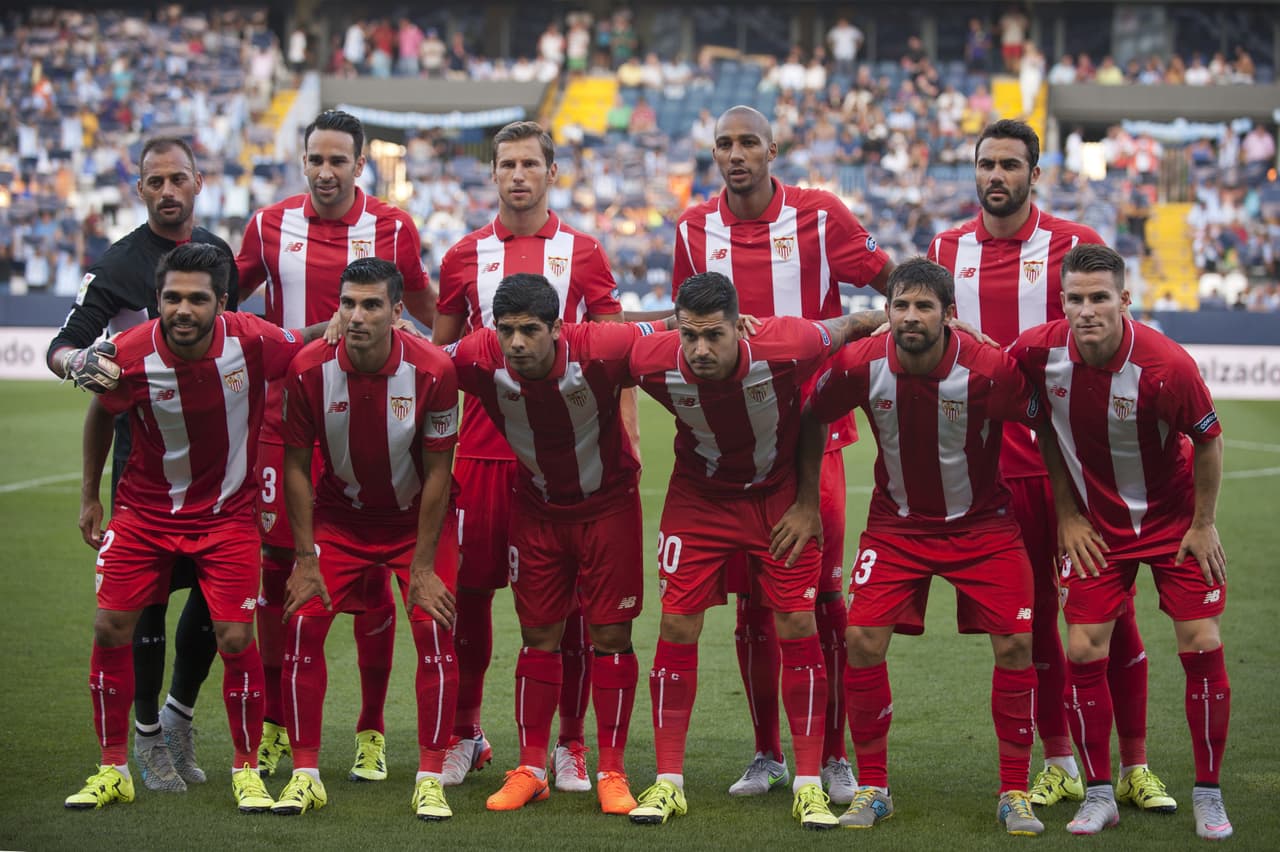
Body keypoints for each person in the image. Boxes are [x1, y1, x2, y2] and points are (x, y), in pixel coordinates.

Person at [928, 119, 1169, 814]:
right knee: (1030, 622)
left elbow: (1114, 339)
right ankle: (1060, 761)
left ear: (1035, 173)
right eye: (985, 164)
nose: (995, 176)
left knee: (1110, 616)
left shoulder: (1074, 246)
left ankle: (1135, 765)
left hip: (1075, 466)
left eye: (1009, 164)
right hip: (993, 472)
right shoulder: (946, 250)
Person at [672, 104, 894, 805]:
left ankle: (831, 756)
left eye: (748, 144)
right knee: (749, 607)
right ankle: (769, 750)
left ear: (775, 148)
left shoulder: (823, 216)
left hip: (812, 441)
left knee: (821, 598)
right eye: (723, 146)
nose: (735, 156)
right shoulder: (692, 227)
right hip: (733, 448)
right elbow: (687, 321)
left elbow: (890, 283)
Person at [62, 243, 326, 812]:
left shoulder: (253, 338)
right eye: (171, 298)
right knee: (111, 627)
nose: (183, 310)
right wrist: (89, 495)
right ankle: (114, 769)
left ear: (222, 302)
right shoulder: (127, 354)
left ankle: (246, 768)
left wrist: (356, 318)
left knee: (235, 639)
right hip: (144, 515)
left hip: (228, 514)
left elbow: (304, 339)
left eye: (197, 299)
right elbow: (98, 415)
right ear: (156, 300)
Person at [626, 271, 885, 830]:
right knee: (676, 627)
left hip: (778, 499)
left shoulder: (789, 344)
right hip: (699, 502)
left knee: (797, 623)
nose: (699, 350)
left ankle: (810, 785)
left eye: (714, 335)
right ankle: (668, 782)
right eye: (689, 335)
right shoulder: (650, 360)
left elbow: (855, 324)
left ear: (740, 327)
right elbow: (588, 344)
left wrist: (808, 501)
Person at [806, 257, 1044, 836]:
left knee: (1016, 643)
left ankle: (1014, 791)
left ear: (949, 316)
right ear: (886, 313)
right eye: (901, 306)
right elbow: (811, 414)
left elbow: (1047, 419)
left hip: (984, 527)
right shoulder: (862, 364)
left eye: (924, 307)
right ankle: (873, 788)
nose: (910, 317)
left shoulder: (989, 370)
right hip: (897, 528)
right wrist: (803, 502)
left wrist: (1068, 510)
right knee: (860, 638)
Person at [236, 109, 435, 781]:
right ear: (303, 162)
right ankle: (273, 724)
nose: (325, 172)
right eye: (314, 160)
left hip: (366, 416)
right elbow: (227, 309)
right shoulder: (267, 226)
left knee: (372, 573)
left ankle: (371, 728)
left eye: (338, 161)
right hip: (280, 423)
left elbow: (426, 313)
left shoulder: (394, 227)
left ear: (359, 165)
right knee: (282, 577)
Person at [1009, 244, 1232, 840]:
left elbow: (1208, 440)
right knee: (1082, 649)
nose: (1087, 311)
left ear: (1124, 301)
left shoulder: (1166, 365)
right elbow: (1036, 424)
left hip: (1173, 519)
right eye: (1075, 299)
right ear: (1061, 302)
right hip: (1096, 527)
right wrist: (1065, 513)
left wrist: (1204, 523)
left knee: (1201, 641)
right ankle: (1100, 792)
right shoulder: (1037, 352)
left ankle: (1209, 793)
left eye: (1099, 298)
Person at [433, 120, 627, 792]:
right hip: (482, 457)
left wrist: (622, 446)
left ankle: (570, 745)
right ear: (493, 173)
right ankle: (466, 733)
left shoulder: (586, 253)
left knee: (568, 605)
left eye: (530, 164)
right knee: (470, 595)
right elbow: (440, 366)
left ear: (552, 172)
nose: (518, 175)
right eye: (506, 164)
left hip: (563, 460)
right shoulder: (463, 256)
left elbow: (614, 357)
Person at [48, 136, 240, 795]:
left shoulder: (218, 256)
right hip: (145, 466)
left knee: (217, 606)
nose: (166, 190)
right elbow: (63, 344)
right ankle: (148, 738)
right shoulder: (119, 265)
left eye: (177, 178)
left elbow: (235, 346)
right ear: (139, 190)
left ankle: (178, 716)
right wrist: (79, 363)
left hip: (218, 470)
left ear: (198, 183)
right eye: (154, 180)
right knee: (146, 607)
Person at [448, 274, 666, 815]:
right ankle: (530, 767)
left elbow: (671, 329)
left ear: (557, 328)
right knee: (538, 635)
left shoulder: (603, 348)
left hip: (608, 507)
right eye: (507, 331)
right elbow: (418, 357)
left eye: (529, 330)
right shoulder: (478, 356)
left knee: (611, 636)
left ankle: (612, 771)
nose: (516, 343)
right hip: (538, 510)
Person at [275, 258, 461, 820]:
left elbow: (438, 473)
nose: (357, 316)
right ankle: (306, 773)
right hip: (340, 519)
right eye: (349, 304)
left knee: (434, 632)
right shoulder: (308, 367)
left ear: (398, 313)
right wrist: (305, 558)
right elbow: (296, 467)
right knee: (304, 620)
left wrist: (424, 567)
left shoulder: (432, 370)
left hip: (415, 525)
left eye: (372, 304)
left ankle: (430, 777)